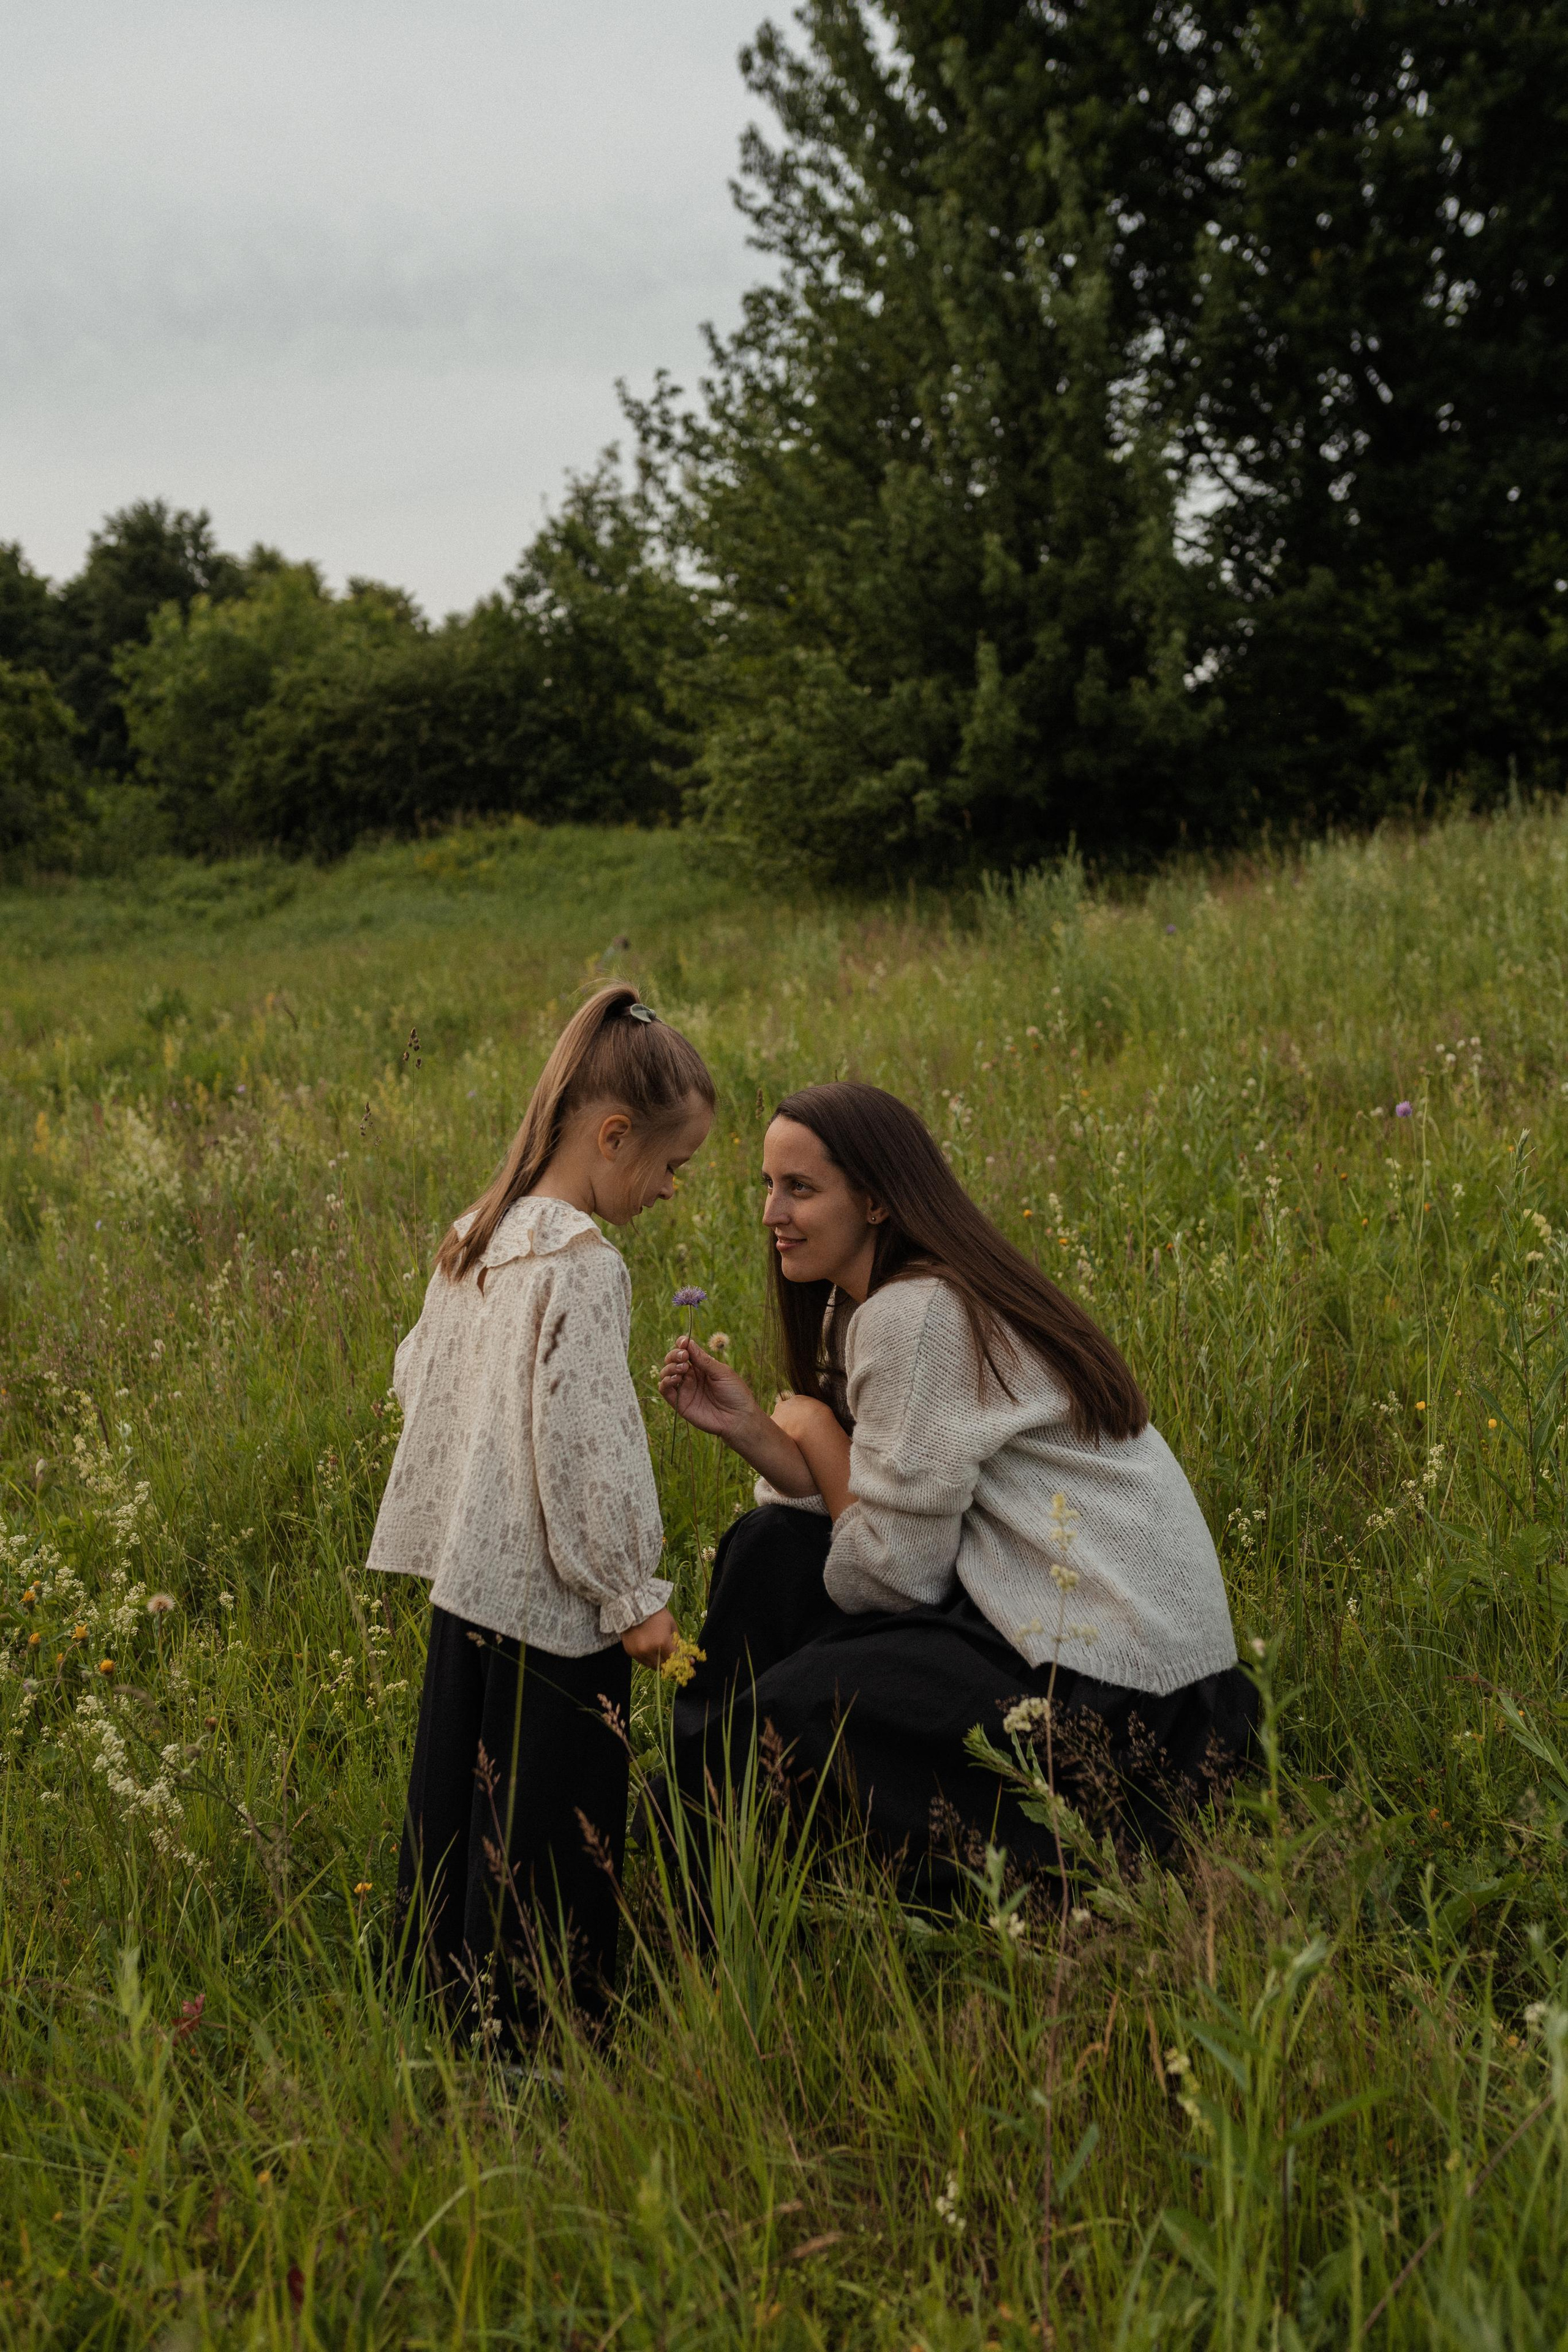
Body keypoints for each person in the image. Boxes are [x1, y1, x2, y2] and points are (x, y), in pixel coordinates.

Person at [658, 1081, 1253, 1903]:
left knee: (794, 1709)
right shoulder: (879, 1302)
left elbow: (899, 1574)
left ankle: (713, 1848)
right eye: (766, 1185)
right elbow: (883, 1502)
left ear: (873, 1199)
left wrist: (821, 1435)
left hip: (1119, 1690)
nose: (771, 1213)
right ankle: (703, 1819)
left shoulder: (919, 1312)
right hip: (1036, 1618)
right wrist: (763, 1434)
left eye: (800, 1188)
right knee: (767, 1551)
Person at [368, 984, 714, 2044]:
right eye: (670, 1165)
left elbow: (413, 1378)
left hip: (470, 1579)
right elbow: (587, 1451)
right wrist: (629, 1596)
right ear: (612, 1136)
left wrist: (477, 1495)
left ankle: (439, 2002)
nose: (669, 1191)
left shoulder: (478, 1234)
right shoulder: (583, 1265)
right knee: (550, 1823)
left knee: (459, 1796)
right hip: (560, 1604)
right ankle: (535, 2039)